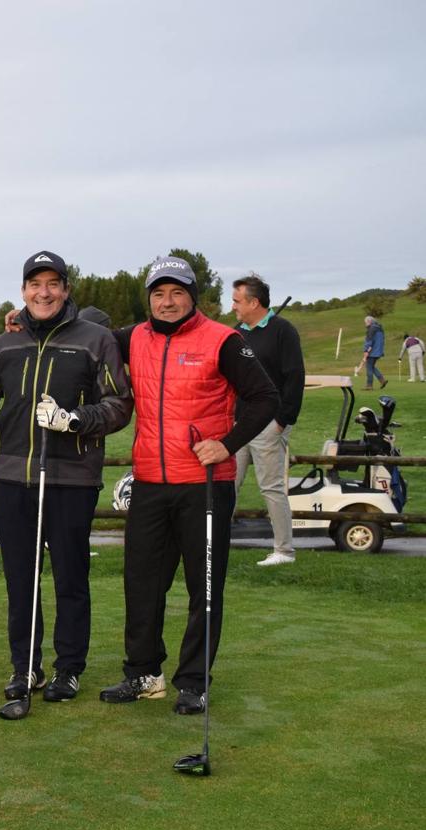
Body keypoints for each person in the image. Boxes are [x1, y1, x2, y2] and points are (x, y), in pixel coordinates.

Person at [99, 256, 278, 715]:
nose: (167, 301)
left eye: (177, 292)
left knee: (204, 589)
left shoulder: (223, 340)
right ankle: (143, 673)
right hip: (151, 485)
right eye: (158, 293)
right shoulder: (132, 337)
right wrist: (22, 323)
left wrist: (228, 444)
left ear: (193, 296)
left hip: (204, 485)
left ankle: (194, 681)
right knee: (142, 586)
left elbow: (264, 398)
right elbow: (88, 330)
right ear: (149, 300)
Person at [0, 251, 133, 706]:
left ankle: (68, 669)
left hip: (71, 479)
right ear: (22, 291)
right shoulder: (5, 344)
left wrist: (75, 419)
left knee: (70, 578)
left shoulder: (95, 339)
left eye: (52, 284)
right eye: (34, 284)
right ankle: (25, 666)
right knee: (20, 580)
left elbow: (120, 404)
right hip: (12, 478)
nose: (42, 292)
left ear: (66, 289)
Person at [231, 274, 305, 567]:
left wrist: (282, 420)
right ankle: (217, 543)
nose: (233, 306)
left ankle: (284, 551)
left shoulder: (283, 331)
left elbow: (294, 377)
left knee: (271, 488)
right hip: (238, 423)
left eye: (237, 301)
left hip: (268, 424)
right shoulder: (237, 332)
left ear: (254, 302)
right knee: (227, 485)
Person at [357, 316, 388, 389]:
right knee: (372, 367)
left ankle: (369, 385)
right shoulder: (380, 328)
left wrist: (366, 351)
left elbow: (369, 341)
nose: (365, 324)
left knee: (369, 367)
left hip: (372, 351)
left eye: (366, 322)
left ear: (369, 322)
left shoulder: (371, 329)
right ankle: (382, 380)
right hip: (379, 351)